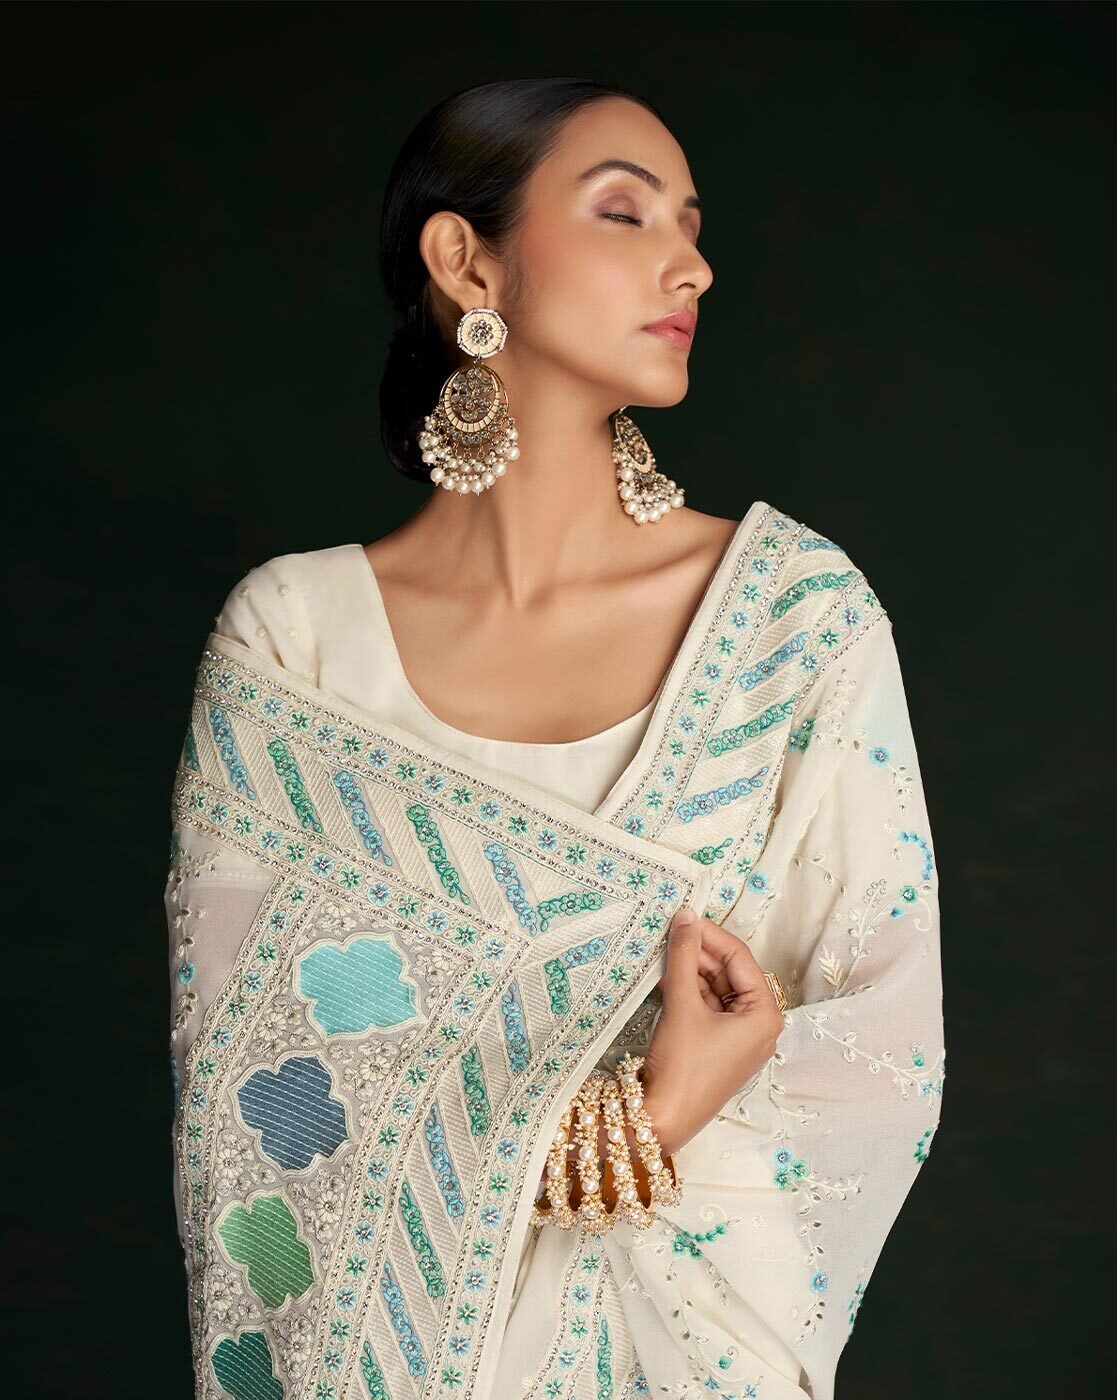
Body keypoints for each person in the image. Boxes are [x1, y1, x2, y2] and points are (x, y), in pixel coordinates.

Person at [165, 78, 944, 1400]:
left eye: (690, 223)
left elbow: (879, 1045)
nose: (690, 264)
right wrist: (641, 1116)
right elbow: (255, 1122)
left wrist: (659, 1123)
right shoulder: (294, 642)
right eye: (625, 214)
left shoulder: (790, 624)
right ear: (466, 261)